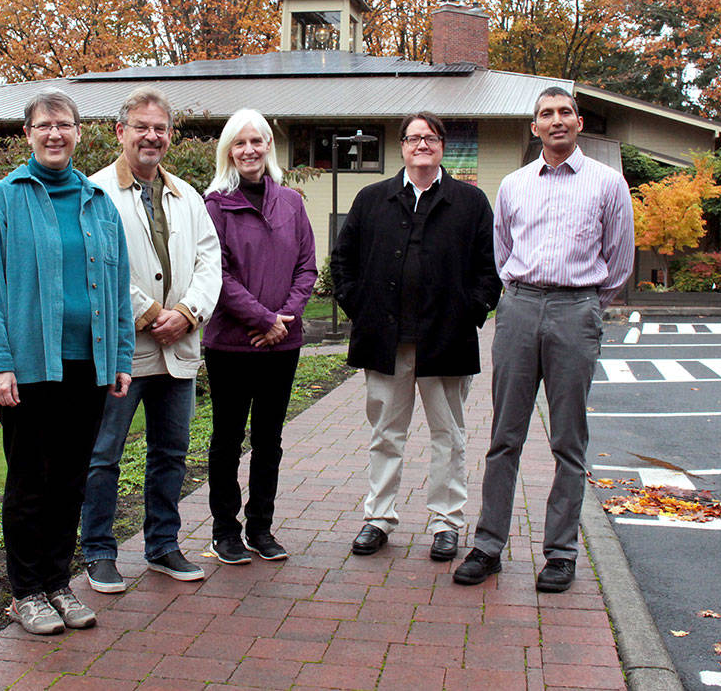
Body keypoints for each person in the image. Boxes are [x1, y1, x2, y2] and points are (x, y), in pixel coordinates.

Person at [454, 86, 635, 591]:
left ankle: (561, 553)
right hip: (519, 308)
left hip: (576, 312)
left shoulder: (608, 183)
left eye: (564, 112)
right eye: (545, 114)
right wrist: (522, 297)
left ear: (579, 122)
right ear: (534, 127)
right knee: (503, 437)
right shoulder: (513, 185)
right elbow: (501, 250)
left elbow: (619, 262)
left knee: (568, 441)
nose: (555, 121)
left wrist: (587, 309)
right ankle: (488, 545)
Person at [0, 87, 133, 635]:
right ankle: (25, 592)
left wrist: (122, 356)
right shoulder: (3, 198)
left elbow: (115, 287)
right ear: (28, 134)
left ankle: (58, 584)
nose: (54, 134)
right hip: (30, 369)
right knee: (30, 481)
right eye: (44, 126)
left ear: (79, 132)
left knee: (69, 481)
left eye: (63, 124)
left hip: (88, 366)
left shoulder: (98, 202)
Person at [331, 112, 500, 562]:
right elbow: (342, 260)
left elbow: (490, 268)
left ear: (442, 146)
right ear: (402, 147)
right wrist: (360, 307)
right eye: (412, 138)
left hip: (446, 341)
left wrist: (471, 311)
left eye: (429, 138)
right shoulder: (372, 200)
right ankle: (378, 518)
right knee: (386, 434)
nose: (421, 145)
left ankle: (446, 522)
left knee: (449, 436)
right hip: (385, 341)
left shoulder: (470, 202)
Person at [82, 86, 222, 591]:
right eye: (141, 126)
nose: (151, 136)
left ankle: (163, 545)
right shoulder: (95, 192)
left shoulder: (189, 196)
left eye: (160, 128)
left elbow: (211, 262)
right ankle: (98, 551)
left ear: (170, 136)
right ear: (120, 132)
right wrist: (150, 313)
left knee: (171, 452)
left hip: (178, 348)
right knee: (104, 454)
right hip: (126, 350)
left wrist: (188, 312)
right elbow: (98, 264)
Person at [202, 109, 317, 565]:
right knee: (227, 439)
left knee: (269, 439)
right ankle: (224, 531)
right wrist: (260, 319)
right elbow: (218, 275)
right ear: (228, 151)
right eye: (239, 143)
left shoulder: (290, 202)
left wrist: (282, 320)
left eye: (257, 141)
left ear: (269, 145)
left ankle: (261, 528)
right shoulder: (215, 205)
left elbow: (307, 266)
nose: (249, 150)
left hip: (281, 345)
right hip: (231, 344)